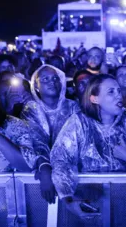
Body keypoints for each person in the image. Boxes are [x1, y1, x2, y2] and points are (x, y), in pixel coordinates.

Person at [51, 74, 126, 217]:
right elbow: (61, 159)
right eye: (111, 91)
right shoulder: (79, 123)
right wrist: (68, 198)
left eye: (119, 91)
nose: (119, 96)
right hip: (89, 198)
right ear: (95, 99)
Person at [21, 64, 80, 203]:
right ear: (36, 86)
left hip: (72, 169)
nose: (52, 82)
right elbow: (36, 140)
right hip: (42, 171)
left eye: (55, 78)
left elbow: (75, 140)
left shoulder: (73, 106)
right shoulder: (31, 109)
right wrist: (45, 168)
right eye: (45, 79)